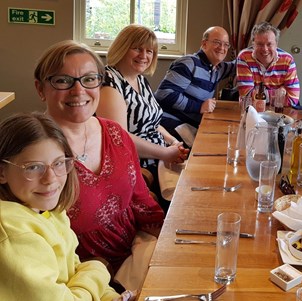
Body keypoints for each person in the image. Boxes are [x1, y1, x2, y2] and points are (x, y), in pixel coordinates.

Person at [34, 40, 164, 292]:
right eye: (62, 81)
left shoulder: (115, 133)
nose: (78, 91)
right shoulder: (33, 154)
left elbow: (140, 199)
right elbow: (34, 241)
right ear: (41, 89)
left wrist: (169, 239)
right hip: (80, 280)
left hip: (134, 259)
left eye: (89, 79)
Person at [0, 112, 134, 301]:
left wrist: (112, 297)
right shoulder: (13, 232)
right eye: (33, 167)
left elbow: (75, 273)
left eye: (59, 163)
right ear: (1, 172)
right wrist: (98, 268)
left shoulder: (49, 212)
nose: (50, 179)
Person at [98, 24, 188, 208]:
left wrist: (172, 142)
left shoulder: (140, 80)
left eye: (150, 51)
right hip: (137, 164)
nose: (144, 56)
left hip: (159, 156)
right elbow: (119, 139)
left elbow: (152, 122)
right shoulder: (110, 82)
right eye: (137, 48)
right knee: (183, 199)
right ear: (122, 47)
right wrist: (165, 153)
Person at [155, 26, 236, 144]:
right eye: (217, 42)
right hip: (169, 122)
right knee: (209, 147)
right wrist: (199, 107)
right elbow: (164, 94)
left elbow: (241, 63)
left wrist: (265, 49)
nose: (222, 48)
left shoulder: (218, 68)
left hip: (190, 123)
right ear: (204, 44)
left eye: (226, 44)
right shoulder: (189, 63)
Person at [236, 21, 300, 107]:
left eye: (269, 44)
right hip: (252, 113)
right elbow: (246, 97)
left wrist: (257, 95)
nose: (265, 49)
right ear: (253, 44)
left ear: (276, 45)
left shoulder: (287, 60)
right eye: (260, 44)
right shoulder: (244, 57)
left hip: (280, 114)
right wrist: (278, 94)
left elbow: (293, 99)